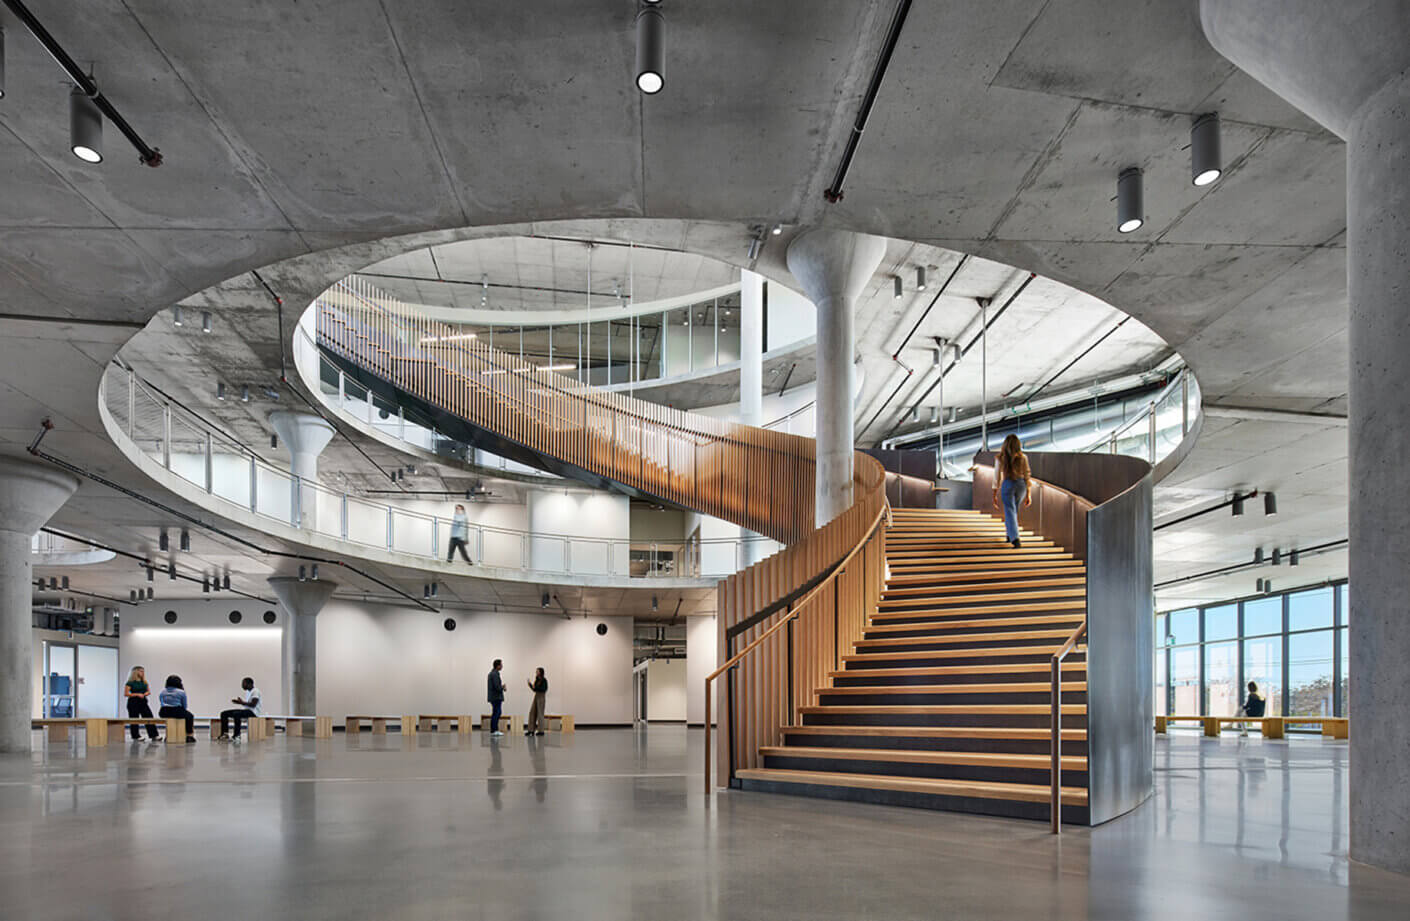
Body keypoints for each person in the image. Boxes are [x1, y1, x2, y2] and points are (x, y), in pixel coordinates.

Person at [991, 434, 1033, 548]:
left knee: (1010, 511)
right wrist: (1029, 493)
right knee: (1013, 511)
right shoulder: (1023, 457)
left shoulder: (1000, 458)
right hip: (1021, 485)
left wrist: (994, 494)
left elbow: (996, 477)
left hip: (1008, 484)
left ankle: (1015, 538)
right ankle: (1009, 535)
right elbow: (1027, 475)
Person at [218, 677, 263, 742]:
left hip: (253, 712)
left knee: (237, 714)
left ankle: (237, 735)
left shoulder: (255, 691)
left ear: (249, 684)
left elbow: (253, 704)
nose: (242, 685)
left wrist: (241, 702)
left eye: (243, 683)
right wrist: (241, 702)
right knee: (224, 713)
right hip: (247, 710)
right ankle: (225, 734)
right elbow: (248, 704)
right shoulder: (248, 692)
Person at [123, 666, 160, 741]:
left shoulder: (144, 682)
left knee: (149, 717)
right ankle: (135, 736)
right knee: (134, 719)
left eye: (143, 671)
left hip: (143, 702)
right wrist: (137, 694)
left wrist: (145, 694)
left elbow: (148, 691)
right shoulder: (130, 682)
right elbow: (126, 694)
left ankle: (154, 735)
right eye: (140, 671)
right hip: (133, 702)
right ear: (135, 672)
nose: (142, 673)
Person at [157, 675, 197, 743]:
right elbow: (184, 705)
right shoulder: (181, 692)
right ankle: (189, 735)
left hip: (163, 711)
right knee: (190, 716)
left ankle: (169, 736)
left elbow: (161, 702)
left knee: (170, 719)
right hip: (177, 710)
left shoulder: (162, 691)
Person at [525, 667, 548, 736]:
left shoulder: (544, 680)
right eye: (536, 671)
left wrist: (536, 688)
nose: (536, 672)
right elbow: (534, 689)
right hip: (536, 696)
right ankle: (531, 730)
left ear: (541, 672)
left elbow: (544, 689)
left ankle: (541, 731)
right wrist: (530, 685)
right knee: (532, 713)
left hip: (541, 697)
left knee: (540, 714)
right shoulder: (537, 680)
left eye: (537, 671)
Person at [487, 659, 506, 736]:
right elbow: (497, 687)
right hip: (496, 697)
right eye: (501, 665)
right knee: (497, 713)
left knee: (496, 712)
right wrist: (502, 687)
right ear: (497, 666)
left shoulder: (493, 673)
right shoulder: (494, 674)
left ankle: (494, 730)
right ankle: (494, 730)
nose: (502, 666)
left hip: (494, 697)